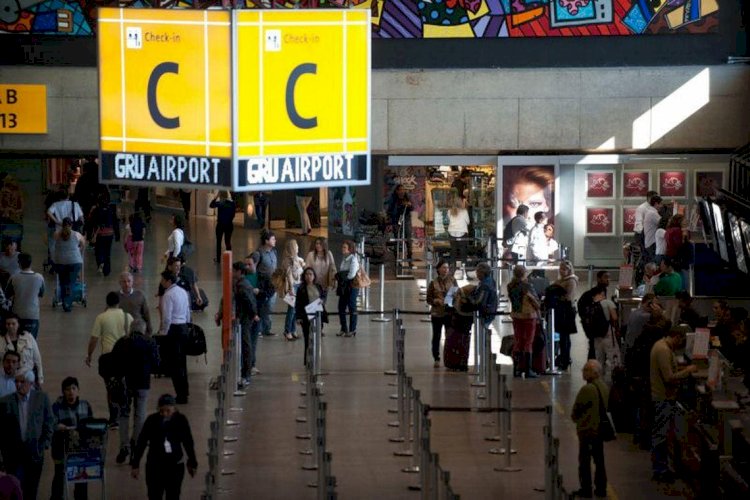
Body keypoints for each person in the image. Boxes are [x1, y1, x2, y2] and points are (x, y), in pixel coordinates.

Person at [650, 326, 697, 483]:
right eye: (682, 341)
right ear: (676, 337)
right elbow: (669, 377)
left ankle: (661, 467)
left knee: (661, 433)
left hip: (663, 396)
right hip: (663, 397)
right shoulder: (663, 350)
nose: (681, 345)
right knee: (661, 434)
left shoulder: (662, 346)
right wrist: (688, 371)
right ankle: (660, 469)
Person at [130, 394, 197, 500]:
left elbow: (188, 442)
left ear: (174, 409)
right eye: (162, 411)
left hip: (175, 466)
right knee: (154, 495)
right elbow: (141, 442)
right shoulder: (151, 420)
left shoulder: (181, 420)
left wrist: (192, 462)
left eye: (168, 411)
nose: (165, 414)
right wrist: (135, 464)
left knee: (173, 495)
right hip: (155, 466)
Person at [0, 371, 54, 500]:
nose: (18, 385)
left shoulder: (41, 398)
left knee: (32, 489)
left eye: (22, 382)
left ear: (31, 383)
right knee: (15, 490)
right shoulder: (4, 402)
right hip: (13, 454)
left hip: (34, 452)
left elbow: (49, 421)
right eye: (16, 381)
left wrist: (45, 444)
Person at [111, 319, 157, 465]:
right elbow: (156, 363)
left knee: (124, 415)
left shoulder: (121, 342)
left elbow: (113, 362)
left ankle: (124, 446)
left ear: (130, 329)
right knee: (140, 415)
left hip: (125, 383)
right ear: (143, 330)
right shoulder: (149, 342)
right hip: (143, 383)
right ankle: (136, 445)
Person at [86, 292, 132, 427]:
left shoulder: (101, 317)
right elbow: (132, 336)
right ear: (119, 303)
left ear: (107, 303)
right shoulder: (127, 317)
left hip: (108, 357)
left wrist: (89, 355)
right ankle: (124, 413)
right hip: (124, 357)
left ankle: (114, 418)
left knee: (110, 388)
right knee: (123, 384)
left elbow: (94, 339)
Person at [50, 376, 94, 500]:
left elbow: (91, 424)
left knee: (81, 476)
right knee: (60, 474)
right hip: (61, 449)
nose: (71, 392)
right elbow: (50, 424)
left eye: (73, 388)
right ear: (63, 392)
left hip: (81, 449)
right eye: (67, 389)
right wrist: (57, 426)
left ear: (78, 390)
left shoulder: (85, 405)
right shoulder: (56, 407)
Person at [571, 360, 609, 498]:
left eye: (586, 369)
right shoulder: (603, 387)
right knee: (599, 461)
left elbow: (576, 410)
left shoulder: (587, 389)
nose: (583, 372)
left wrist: (576, 418)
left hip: (587, 429)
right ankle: (601, 488)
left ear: (594, 372)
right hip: (599, 429)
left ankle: (586, 489)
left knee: (585, 462)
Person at [217, 263, 259, 386]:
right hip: (245, 317)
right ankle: (244, 372)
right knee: (245, 345)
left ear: (239, 272)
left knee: (246, 346)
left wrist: (253, 314)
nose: (232, 273)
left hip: (244, 318)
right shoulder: (242, 284)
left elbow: (249, 301)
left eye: (234, 271)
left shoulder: (241, 286)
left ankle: (246, 374)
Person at [159, 271, 191, 405]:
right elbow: (188, 311)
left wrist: (163, 332)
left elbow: (167, 317)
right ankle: (185, 391)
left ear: (168, 281)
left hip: (174, 330)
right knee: (182, 363)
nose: (161, 282)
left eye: (163, 280)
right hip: (184, 328)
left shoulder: (168, 295)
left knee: (175, 365)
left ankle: (180, 395)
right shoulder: (183, 292)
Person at [507, 265, 541, 378]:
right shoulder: (528, 286)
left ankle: (516, 369)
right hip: (528, 316)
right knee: (528, 342)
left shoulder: (510, 286)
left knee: (518, 341)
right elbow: (536, 301)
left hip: (516, 316)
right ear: (524, 273)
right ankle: (528, 370)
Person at [241, 256, 270, 376]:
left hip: (257, 312)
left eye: (249, 264)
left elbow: (269, 291)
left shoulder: (261, 277)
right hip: (245, 314)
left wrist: (260, 292)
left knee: (253, 340)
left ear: (255, 264)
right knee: (245, 341)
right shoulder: (241, 278)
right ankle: (244, 365)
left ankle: (251, 364)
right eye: (245, 264)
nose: (247, 266)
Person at [426, 260, 458, 368]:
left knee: (449, 336)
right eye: (444, 267)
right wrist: (435, 301)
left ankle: (449, 357)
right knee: (436, 336)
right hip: (437, 313)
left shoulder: (453, 281)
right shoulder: (433, 283)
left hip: (449, 313)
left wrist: (453, 300)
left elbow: (457, 295)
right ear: (438, 269)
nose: (446, 270)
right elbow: (428, 298)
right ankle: (436, 357)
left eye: (447, 268)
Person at [6, 252, 45, 339]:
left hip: (17, 315)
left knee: (17, 340)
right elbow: (41, 293)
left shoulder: (14, 278)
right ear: (31, 263)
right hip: (33, 315)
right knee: (31, 342)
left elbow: (7, 295)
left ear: (19, 263)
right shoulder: (39, 277)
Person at [0, 314, 43, 388]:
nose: (10, 326)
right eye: (8, 324)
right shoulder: (0, 340)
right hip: (6, 375)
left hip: (26, 373)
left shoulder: (28, 337)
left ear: (18, 325)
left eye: (13, 324)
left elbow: (37, 359)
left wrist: (40, 378)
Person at [295, 267, 326, 366]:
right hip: (306, 316)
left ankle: (316, 359)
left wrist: (322, 300)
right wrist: (298, 317)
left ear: (314, 276)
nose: (309, 276)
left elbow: (323, 296)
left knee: (317, 339)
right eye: (307, 274)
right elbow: (298, 303)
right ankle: (307, 360)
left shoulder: (318, 286)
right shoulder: (301, 288)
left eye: (311, 274)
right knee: (307, 339)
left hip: (318, 316)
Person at [53, 217, 85, 312]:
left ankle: (64, 302)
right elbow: (83, 244)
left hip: (60, 262)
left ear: (62, 225)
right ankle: (68, 303)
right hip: (74, 262)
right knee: (71, 283)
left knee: (63, 283)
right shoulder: (77, 234)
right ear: (71, 225)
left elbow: (52, 244)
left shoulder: (56, 234)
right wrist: (79, 251)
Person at [552, 260, 578, 370]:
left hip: (567, 310)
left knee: (565, 336)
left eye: (564, 269)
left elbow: (568, 297)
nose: (562, 271)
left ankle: (565, 358)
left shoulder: (571, 281)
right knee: (562, 336)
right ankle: (563, 356)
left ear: (569, 270)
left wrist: (557, 297)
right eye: (561, 269)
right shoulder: (561, 280)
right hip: (561, 310)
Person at [251, 230, 278, 337]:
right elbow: (252, 269)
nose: (275, 240)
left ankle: (267, 329)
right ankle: (258, 329)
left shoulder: (274, 252)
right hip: (262, 284)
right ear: (266, 241)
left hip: (272, 285)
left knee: (269, 307)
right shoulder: (258, 253)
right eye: (273, 239)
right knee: (261, 306)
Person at [89, 191, 120, 276]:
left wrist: (89, 235)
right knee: (107, 252)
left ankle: (100, 262)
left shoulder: (96, 210)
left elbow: (91, 223)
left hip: (100, 234)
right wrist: (117, 235)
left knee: (98, 250)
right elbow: (115, 223)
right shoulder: (111, 210)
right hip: (109, 233)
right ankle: (107, 270)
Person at [280, 239, 305, 341]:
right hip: (293, 287)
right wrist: (291, 288)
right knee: (291, 310)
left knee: (296, 310)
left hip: (298, 285)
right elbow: (289, 275)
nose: (298, 248)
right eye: (296, 246)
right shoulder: (287, 260)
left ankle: (293, 330)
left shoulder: (297, 259)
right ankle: (287, 331)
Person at [118, 271, 154, 336]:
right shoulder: (116, 296)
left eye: (129, 281)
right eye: (124, 282)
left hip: (137, 329)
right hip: (121, 330)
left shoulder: (140, 295)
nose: (126, 284)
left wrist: (149, 329)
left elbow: (146, 313)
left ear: (132, 282)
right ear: (120, 283)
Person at [336, 240, 360, 337]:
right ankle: (344, 328)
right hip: (344, 286)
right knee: (341, 306)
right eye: (343, 247)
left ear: (350, 249)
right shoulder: (344, 258)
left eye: (345, 247)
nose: (343, 249)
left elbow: (351, 275)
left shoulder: (353, 259)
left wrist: (342, 277)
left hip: (351, 286)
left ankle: (352, 329)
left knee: (351, 306)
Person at [305, 237, 337, 308]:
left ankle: (319, 318)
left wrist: (334, 280)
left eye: (320, 244)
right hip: (313, 285)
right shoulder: (311, 255)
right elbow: (306, 269)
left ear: (324, 245)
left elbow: (333, 268)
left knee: (322, 305)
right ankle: (313, 318)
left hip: (324, 286)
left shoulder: (329, 254)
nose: (318, 245)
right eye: (317, 243)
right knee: (313, 306)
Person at [387, 184, 413, 262]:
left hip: (406, 220)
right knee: (397, 240)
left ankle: (409, 259)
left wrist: (409, 205)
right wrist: (390, 223)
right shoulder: (394, 199)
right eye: (400, 189)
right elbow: (390, 211)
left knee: (408, 240)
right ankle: (397, 259)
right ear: (397, 191)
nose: (402, 191)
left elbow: (412, 208)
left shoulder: (407, 198)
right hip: (397, 221)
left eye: (403, 189)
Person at [210, 191, 237, 263]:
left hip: (220, 225)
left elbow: (211, 205)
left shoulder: (220, 203)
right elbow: (233, 214)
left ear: (220, 196)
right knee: (228, 242)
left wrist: (215, 197)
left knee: (218, 242)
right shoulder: (232, 204)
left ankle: (218, 259)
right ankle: (229, 258)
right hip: (229, 225)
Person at [447, 195, 470, 268]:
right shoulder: (464, 211)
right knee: (463, 252)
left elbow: (448, 220)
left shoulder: (449, 211)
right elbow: (468, 222)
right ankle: (464, 270)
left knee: (453, 251)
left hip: (452, 232)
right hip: (462, 232)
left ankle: (452, 269)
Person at [642, 195, 662, 261]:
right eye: (660, 204)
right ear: (656, 204)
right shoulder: (653, 213)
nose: (661, 206)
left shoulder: (650, 212)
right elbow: (663, 223)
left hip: (649, 242)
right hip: (652, 243)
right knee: (655, 264)